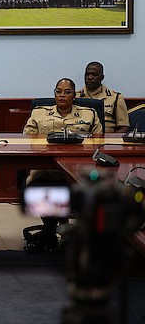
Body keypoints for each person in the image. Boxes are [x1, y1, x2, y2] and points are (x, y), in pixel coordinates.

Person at [22, 77, 103, 253]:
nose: (62, 95)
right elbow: (26, 138)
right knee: (34, 184)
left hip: (79, 168)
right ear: (54, 94)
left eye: (67, 92)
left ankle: (48, 233)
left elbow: (99, 142)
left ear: (74, 95)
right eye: (58, 91)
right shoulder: (39, 113)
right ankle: (51, 230)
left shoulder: (89, 114)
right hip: (46, 165)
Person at [77, 61, 129, 133]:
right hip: (82, 139)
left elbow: (124, 127)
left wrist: (110, 140)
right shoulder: (76, 97)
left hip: (107, 139)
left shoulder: (115, 98)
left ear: (102, 77)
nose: (90, 77)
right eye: (87, 74)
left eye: (94, 75)